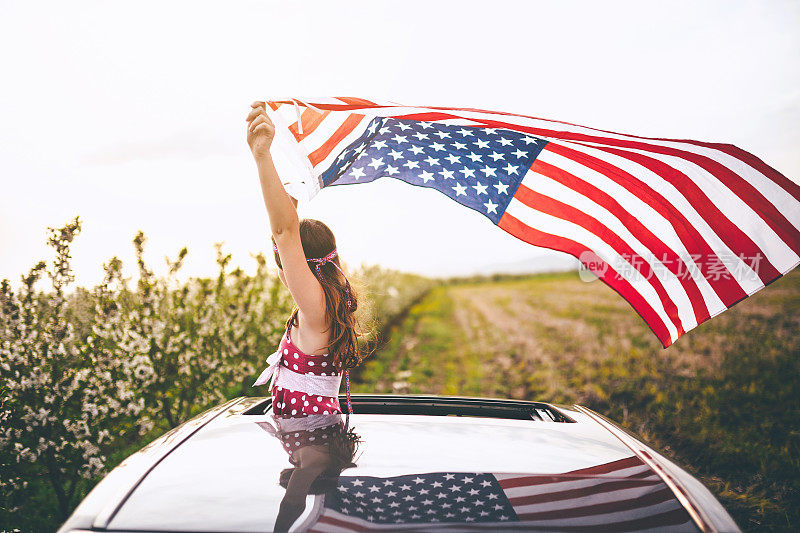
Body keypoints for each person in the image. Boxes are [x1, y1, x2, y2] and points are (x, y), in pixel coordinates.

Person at [245, 100, 371, 418]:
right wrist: (292, 201)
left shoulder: (316, 307)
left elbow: (285, 233)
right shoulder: (324, 301)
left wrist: (263, 155)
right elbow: (284, 235)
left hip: (312, 436)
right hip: (309, 434)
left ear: (303, 265)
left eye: (286, 263)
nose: (284, 272)